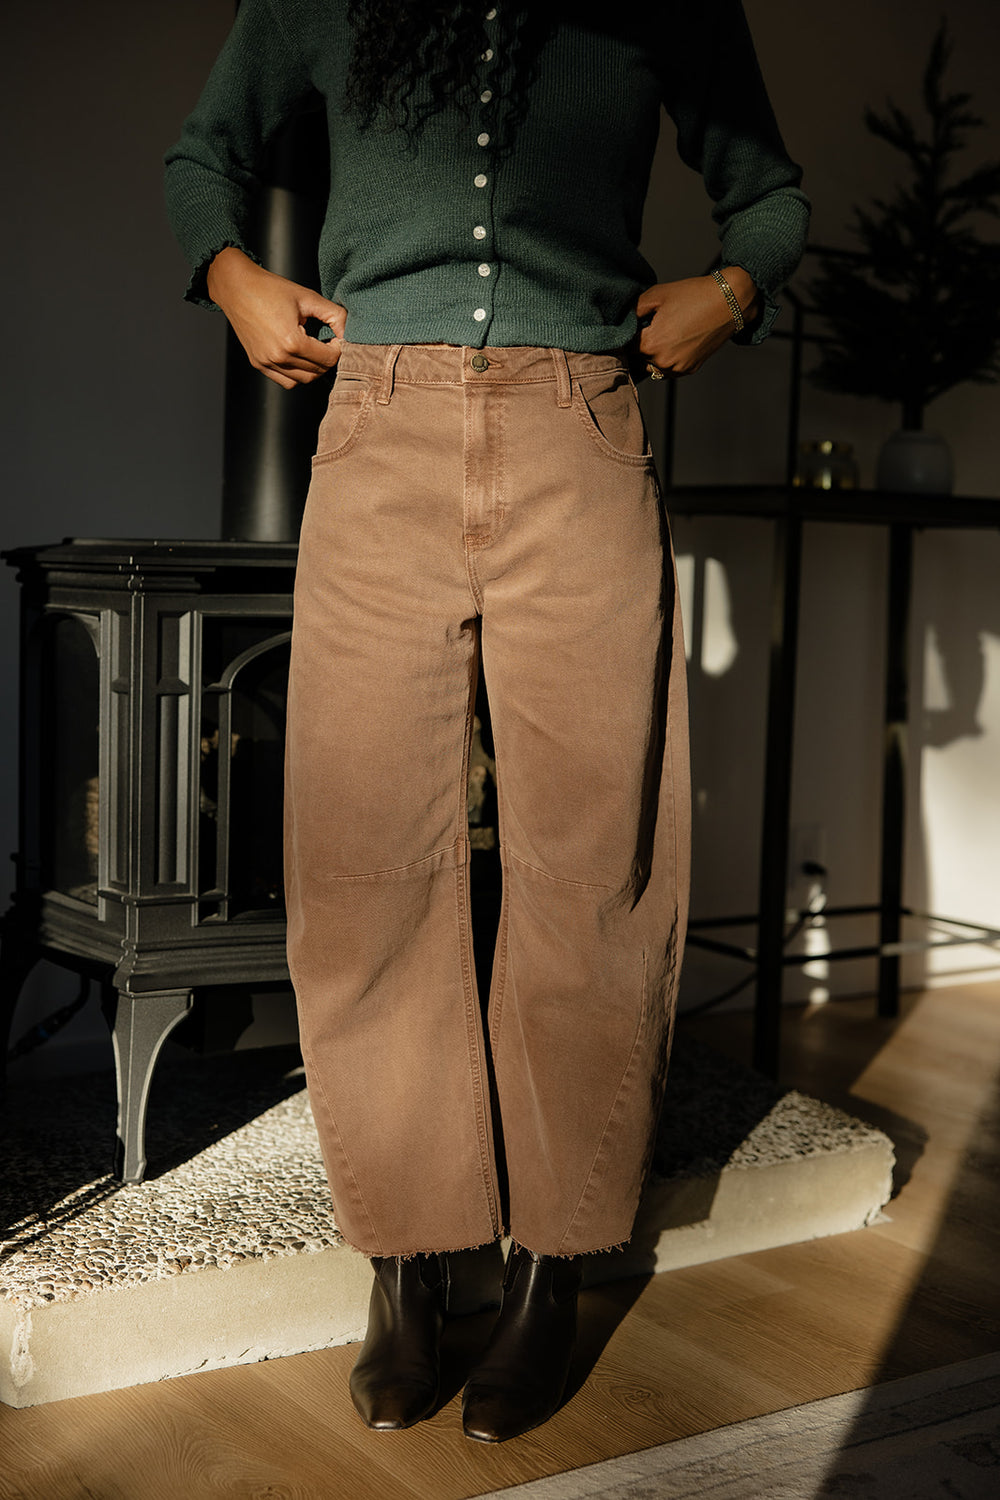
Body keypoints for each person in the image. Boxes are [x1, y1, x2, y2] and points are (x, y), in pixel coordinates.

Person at [165, 0, 809, 1443]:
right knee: (363, 852)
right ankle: (407, 1257)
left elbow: (768, 195)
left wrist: (737, 286)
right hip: (375, 431)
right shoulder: (319, 2)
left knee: (593, 861)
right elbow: (198, 156)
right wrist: (229, 276)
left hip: (581, 429)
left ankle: (551, 1264)